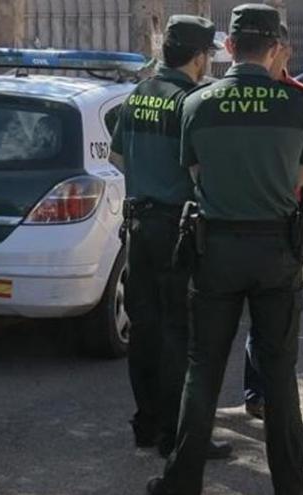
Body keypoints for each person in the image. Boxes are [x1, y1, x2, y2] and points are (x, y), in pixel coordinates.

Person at [147, 4, 303, 494]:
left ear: (228, 47)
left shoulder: (198, 103)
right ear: (275, 49)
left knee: (202, 370)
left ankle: (181, 481)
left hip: (215, 248)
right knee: (280, 373)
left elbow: (195, 172)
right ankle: (291, 485)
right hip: (275, 250)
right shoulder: (296, 104)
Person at [108, 15, 232, 461]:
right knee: (181, 333)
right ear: (199, 57)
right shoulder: (192, 101)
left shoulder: (138, 94)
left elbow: (119, 157)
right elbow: (201, 172)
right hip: (179, 228)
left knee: (145, 329)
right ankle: (177, 436)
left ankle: (146, 424)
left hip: (138, 226)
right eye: (207, 57)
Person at [243, 22, 303, 422]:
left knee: (277, 317)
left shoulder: (302, 97)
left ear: (285, 52)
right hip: (238, 221)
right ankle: (257, 390)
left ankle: (268, 391)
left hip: (284, 221)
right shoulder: (232, 96)